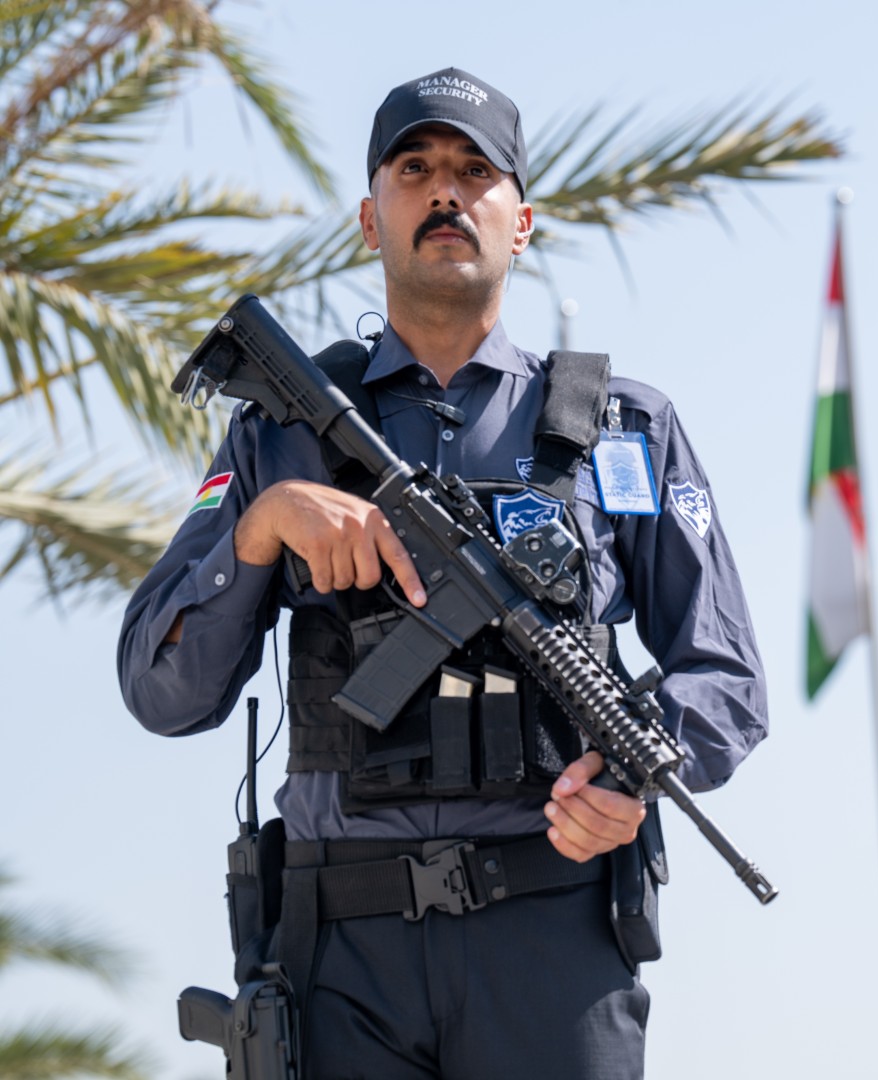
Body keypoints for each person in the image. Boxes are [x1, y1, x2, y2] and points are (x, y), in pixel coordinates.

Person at [119, 66, 768, 1080]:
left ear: (523, 223)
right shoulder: (278, 432)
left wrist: (631, 775)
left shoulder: (621, 429)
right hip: (343, 956)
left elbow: (726, 676)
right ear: (369, 219)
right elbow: (161, 691)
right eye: (414, 170)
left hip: (552, 936)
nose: (445, 193)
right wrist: (261, 530)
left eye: (475, 172)